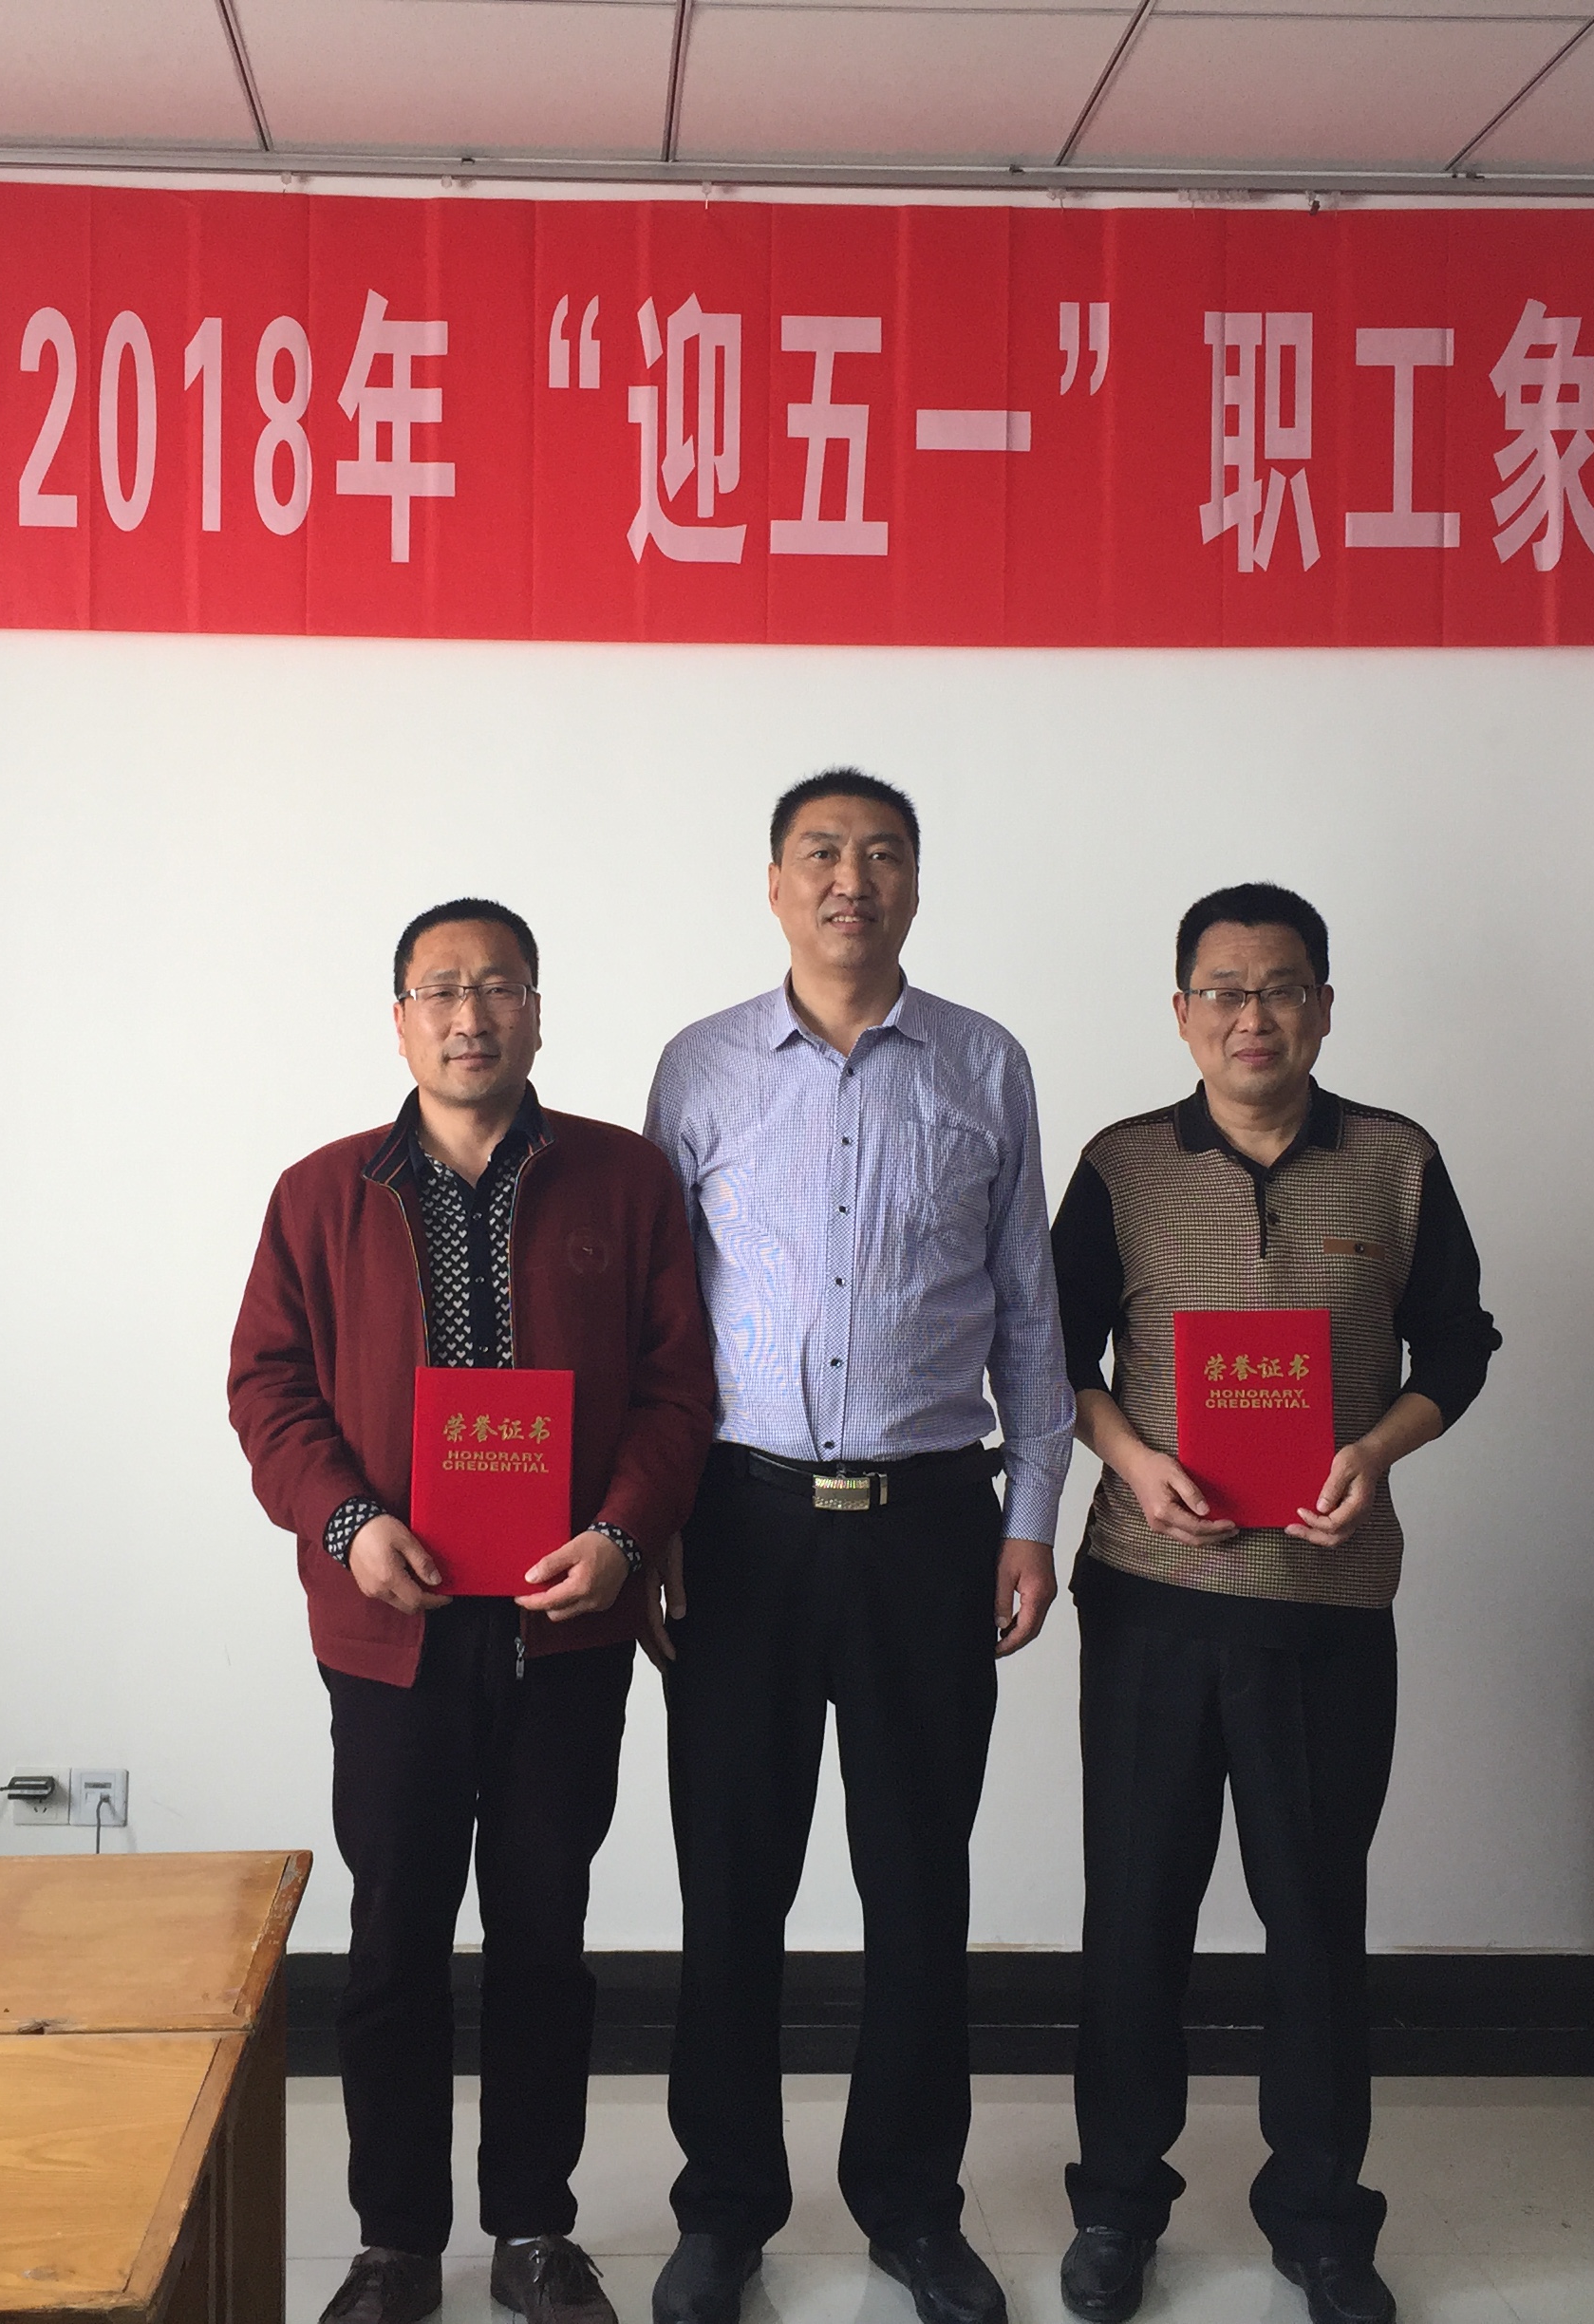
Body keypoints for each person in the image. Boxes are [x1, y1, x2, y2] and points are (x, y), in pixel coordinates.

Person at [230, 899, 719, 2324]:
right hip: (393, 1630)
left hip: (567, 1624)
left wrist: (624, 1535)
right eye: (441, 989)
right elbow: (268, 1390)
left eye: (498, 986)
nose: (469, 1014)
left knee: (544, 1935)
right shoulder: (321, 1193)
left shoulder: (623, 1181)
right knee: (393, 1941)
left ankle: (532, 2230)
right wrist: (348, 1524)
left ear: (537, 1011)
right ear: (400, 1020)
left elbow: (679, 1387)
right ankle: (394, 2242)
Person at [642, 772, 1074, 2324]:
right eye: (820, 853)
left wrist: (1032, 1516)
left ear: (915, 884)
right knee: (730, 1885)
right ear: (774, 885)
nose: (851, 878)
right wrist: (654, 1519)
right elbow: (656, 1323)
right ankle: (724, 2212)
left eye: (882, 853)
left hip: (928, 1527)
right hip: (738, 1527)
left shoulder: (984, 1063)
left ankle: (912, 2207)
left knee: (917, 1883)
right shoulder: (698, 1068)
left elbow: (1030, 1308)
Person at [1048, 883, 1499, 2324]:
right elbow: (1051, 1352)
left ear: (1323, 1006)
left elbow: (1460, 1345)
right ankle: (1118, 2206)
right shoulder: (1122, 1165)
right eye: (1225, 991)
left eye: (1283, 988)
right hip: (1152, 1599)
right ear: (1182, 1012)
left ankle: (1320, 2216)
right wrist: (1131, 1458)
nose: (1254, 1016)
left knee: (1314, 1920)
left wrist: (1376, 1450)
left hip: (1325, 1606)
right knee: (1136, 1918)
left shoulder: (1396, 1160)